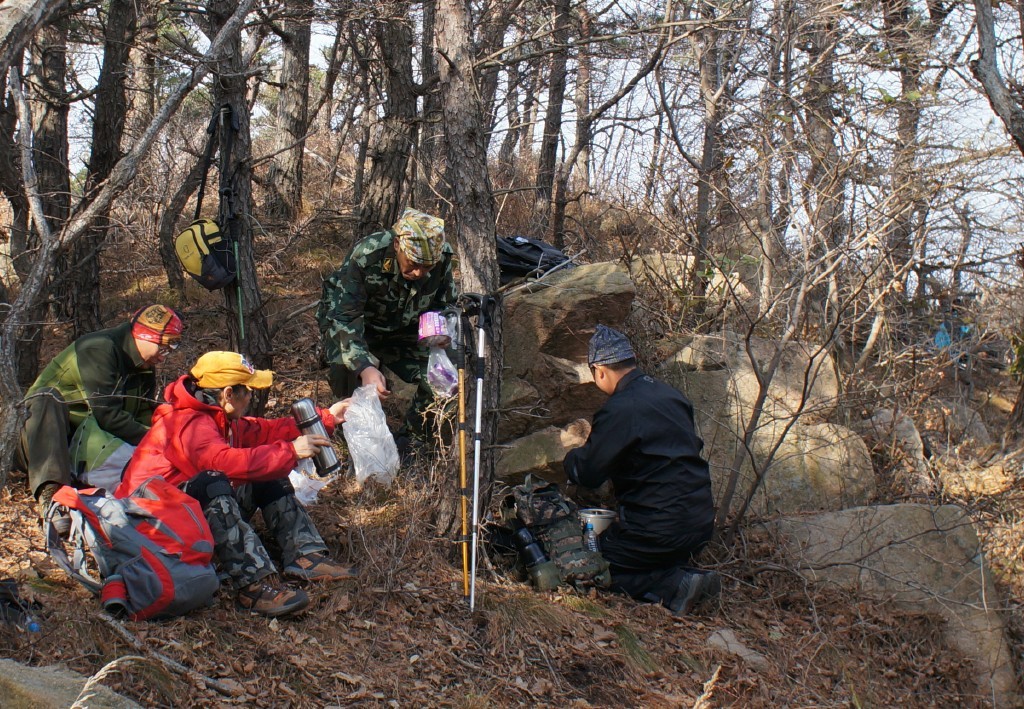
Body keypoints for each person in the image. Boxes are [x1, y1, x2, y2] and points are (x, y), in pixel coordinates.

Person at [116, 351, 357, 618]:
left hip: (183, 516)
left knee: (264, 471)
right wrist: (290, 451)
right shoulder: (187, 423)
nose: (252, 397)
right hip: (153, 528)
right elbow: (220, 463)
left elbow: (264, 431)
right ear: (229, 394)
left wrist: (326, 419)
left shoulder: (218, 418)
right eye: (249, 391)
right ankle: (252, 586)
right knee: (213, 482)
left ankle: (305, 555)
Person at [563, 325, 720, 616]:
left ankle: (674, 583)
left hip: (657, 529)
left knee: (588, 563)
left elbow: (588, 473)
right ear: (632, 358)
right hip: (699, 523)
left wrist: (571, 454)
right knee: (642, 550)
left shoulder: (620, 408)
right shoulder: (672, 397)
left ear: (599, 370)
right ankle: (677, 572)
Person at [20, 304, 183, 527]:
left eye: (170, 350)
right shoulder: (99, 349)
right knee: (45, 398)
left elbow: (144, 412)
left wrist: (169, 439)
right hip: (37, 439)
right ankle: (52, 495)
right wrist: (155, 442)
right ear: (144, 336)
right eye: (163, 348)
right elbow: (108, 416)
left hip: (85, 443)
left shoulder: (143, 363)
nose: (163, 357)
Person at [316, 208, 458, 446]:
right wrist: (364, 367)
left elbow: (445, 305)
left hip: (403, 331)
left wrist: (442, 332)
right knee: (345, 370)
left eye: (427, 267)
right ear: (396, 245)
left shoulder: (441, 257)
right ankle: (350, 436)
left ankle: (411, 441)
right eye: (413, 263)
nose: (418, 272)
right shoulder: (368, 255)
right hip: (355, 327)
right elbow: (344, 316)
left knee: (444, 377)